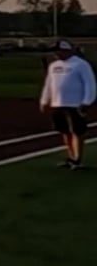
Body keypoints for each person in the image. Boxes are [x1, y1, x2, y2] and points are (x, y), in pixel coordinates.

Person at [40, 41, 96, 170]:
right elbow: (48, 84)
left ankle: (77, 159)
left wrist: (87, 101)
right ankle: (71, 157)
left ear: (66, 50)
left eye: (58, 50)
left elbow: (90, 84)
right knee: (64, 131)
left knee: (77, 131)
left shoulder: (80, 64)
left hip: (75, 104)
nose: (55, 54)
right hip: (58, 103)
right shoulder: (53, 66)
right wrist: (44, 100)